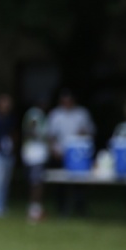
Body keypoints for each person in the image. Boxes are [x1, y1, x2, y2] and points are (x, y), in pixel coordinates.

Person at [47, 89, 95, 217]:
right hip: (61, 153)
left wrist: (84, 133)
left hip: (78, 154)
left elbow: (91, 132)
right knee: (60, 182)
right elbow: (50, 136)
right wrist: (53, 150)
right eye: (64, 101)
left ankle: (80, 208)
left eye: (69, 101)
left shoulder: (82, 114)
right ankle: (61, 209)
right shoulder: (55, 115)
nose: (67, 103)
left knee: (80, 183)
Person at [21, 100, 50, 223]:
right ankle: (34, 210)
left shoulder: (38, 114)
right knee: (36, 182)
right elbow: (30, 129)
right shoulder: (35, 113)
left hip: (35, 155)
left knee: (36, 182)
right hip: (34, 155)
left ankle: (35, 208)